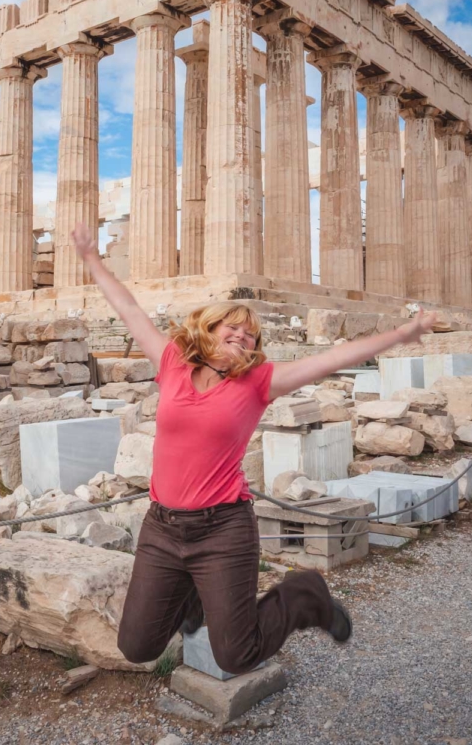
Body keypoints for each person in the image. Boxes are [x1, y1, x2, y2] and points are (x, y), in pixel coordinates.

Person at [72, 224, 434, 674]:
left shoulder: (259, 383)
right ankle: (191, 600)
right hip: (162, 528)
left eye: (251, 336)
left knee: (236, 655)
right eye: (235, 328)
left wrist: (402, 334)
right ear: (210, 327)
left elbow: (334, 359)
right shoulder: (172, 365)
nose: (244, 337)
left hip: (222, 529)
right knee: (137, 646)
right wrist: (90, 257)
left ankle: (304, 597)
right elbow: (127, 308)